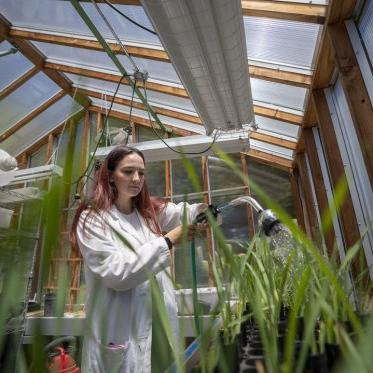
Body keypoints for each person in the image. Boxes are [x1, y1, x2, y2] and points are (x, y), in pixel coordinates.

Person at [70, 146, 207, 373]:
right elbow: (117, 273)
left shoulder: (148, 213)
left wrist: (205, 212)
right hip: (122, 333)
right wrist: (168, 241)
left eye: (141, 173)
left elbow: (184, 212)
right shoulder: (93, 219)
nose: (136, 179)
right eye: (128, 171)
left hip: (158, 328)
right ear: (111, 176)